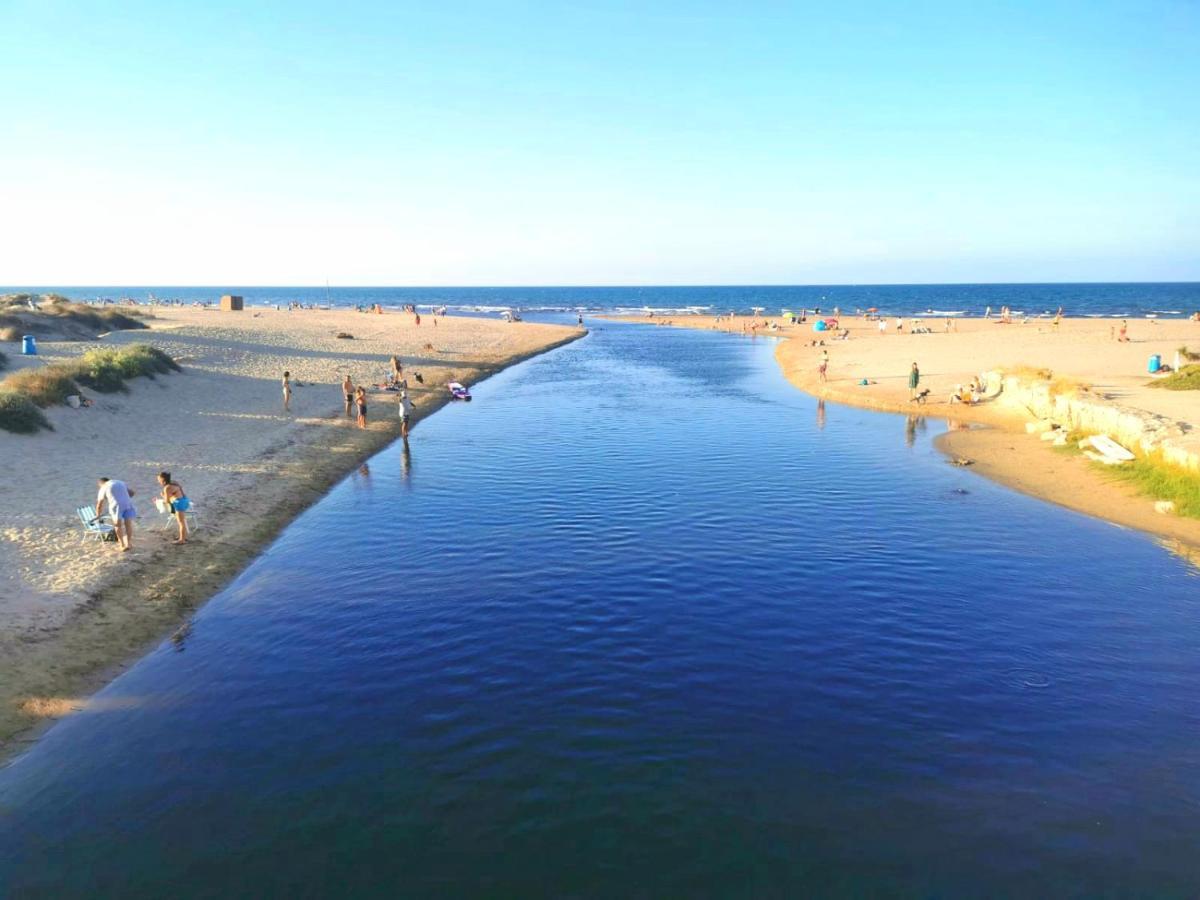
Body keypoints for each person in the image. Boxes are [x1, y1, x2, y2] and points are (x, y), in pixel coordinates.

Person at [95, 477, 137, 552]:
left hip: (116, 506)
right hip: (128, 504)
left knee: (118, 525)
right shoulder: (120, 482)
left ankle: (122, 545)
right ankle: (129, 543)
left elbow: (99, 505)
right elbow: (132, 493)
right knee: (128, 525)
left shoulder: (103, 487)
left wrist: (98, 515)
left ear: (101, 483)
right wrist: (121, 496)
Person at [157, 471, 190, 544]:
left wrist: (160, 498)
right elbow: (182, 493)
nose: (158, 481)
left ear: (163, 480)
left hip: (179, 503)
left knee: (181, 522)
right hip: (184, 500)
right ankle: (182, 537)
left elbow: (167, 501)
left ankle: (182, 540)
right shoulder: (174, 482)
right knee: (182, 522)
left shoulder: (167, 488)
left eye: (159, 480)